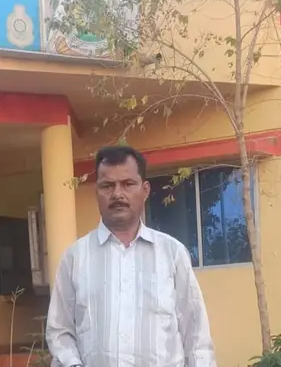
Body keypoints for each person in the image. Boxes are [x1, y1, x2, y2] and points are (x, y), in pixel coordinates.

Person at [46, 145, 217, 367]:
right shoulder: (75, 258)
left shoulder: (172, 253)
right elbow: (60, 331)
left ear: (145, 190)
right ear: (96, 192)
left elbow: (196, 337)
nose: (117, 194)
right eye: (107, 185)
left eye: (127, 184)